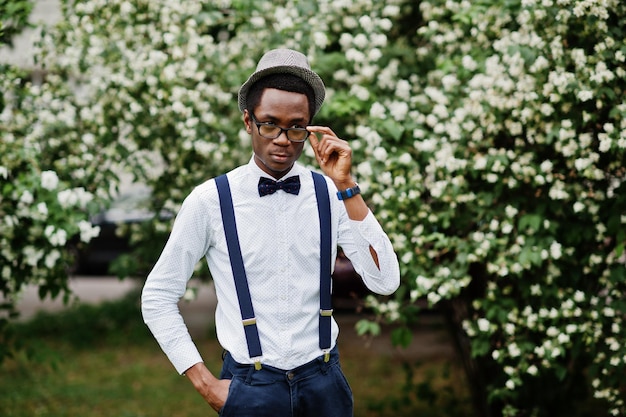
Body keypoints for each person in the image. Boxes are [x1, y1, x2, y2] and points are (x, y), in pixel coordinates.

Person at [141, 48, 400, 416]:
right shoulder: (210, 200)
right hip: (250, 388)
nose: (282, 138)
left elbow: (385, 280)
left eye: (296, 126)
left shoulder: (330, 193)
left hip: (325, 384)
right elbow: (158, 296)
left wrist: (346, 185)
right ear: (248, 121)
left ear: (309, 128)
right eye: (269, 124)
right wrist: (206, 385)